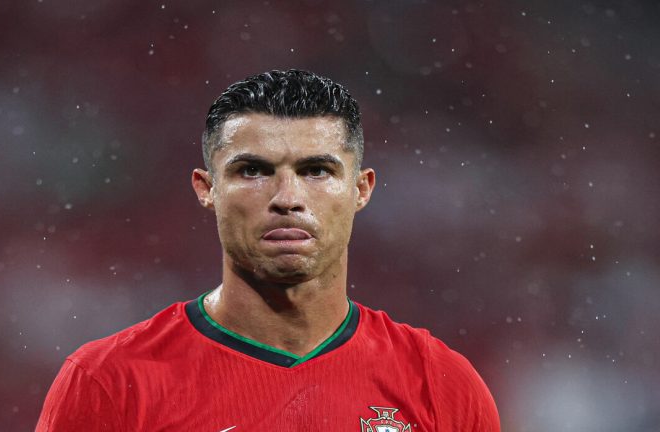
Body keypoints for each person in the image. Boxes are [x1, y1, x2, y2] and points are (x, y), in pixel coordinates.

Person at [35, 69, 501, 431]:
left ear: (361, 189)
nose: (287, 198)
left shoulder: (440, 384)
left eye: (316, 170)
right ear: (207, 188)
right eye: (253, 171)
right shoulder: (109, 382)